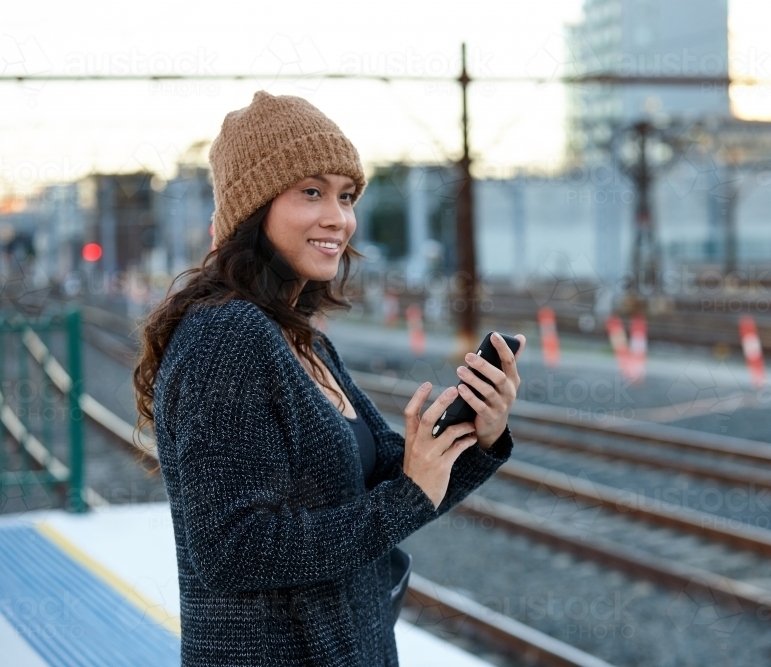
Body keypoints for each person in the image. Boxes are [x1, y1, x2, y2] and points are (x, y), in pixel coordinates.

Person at [132, 89, 525, 666]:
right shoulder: (223, 337)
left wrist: (481, 433)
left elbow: (397, 481)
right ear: (253, 208)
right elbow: (231, 550)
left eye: (346, 196)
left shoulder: (302, 340)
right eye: (310, 192)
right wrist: (404, 498)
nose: (337, 218)